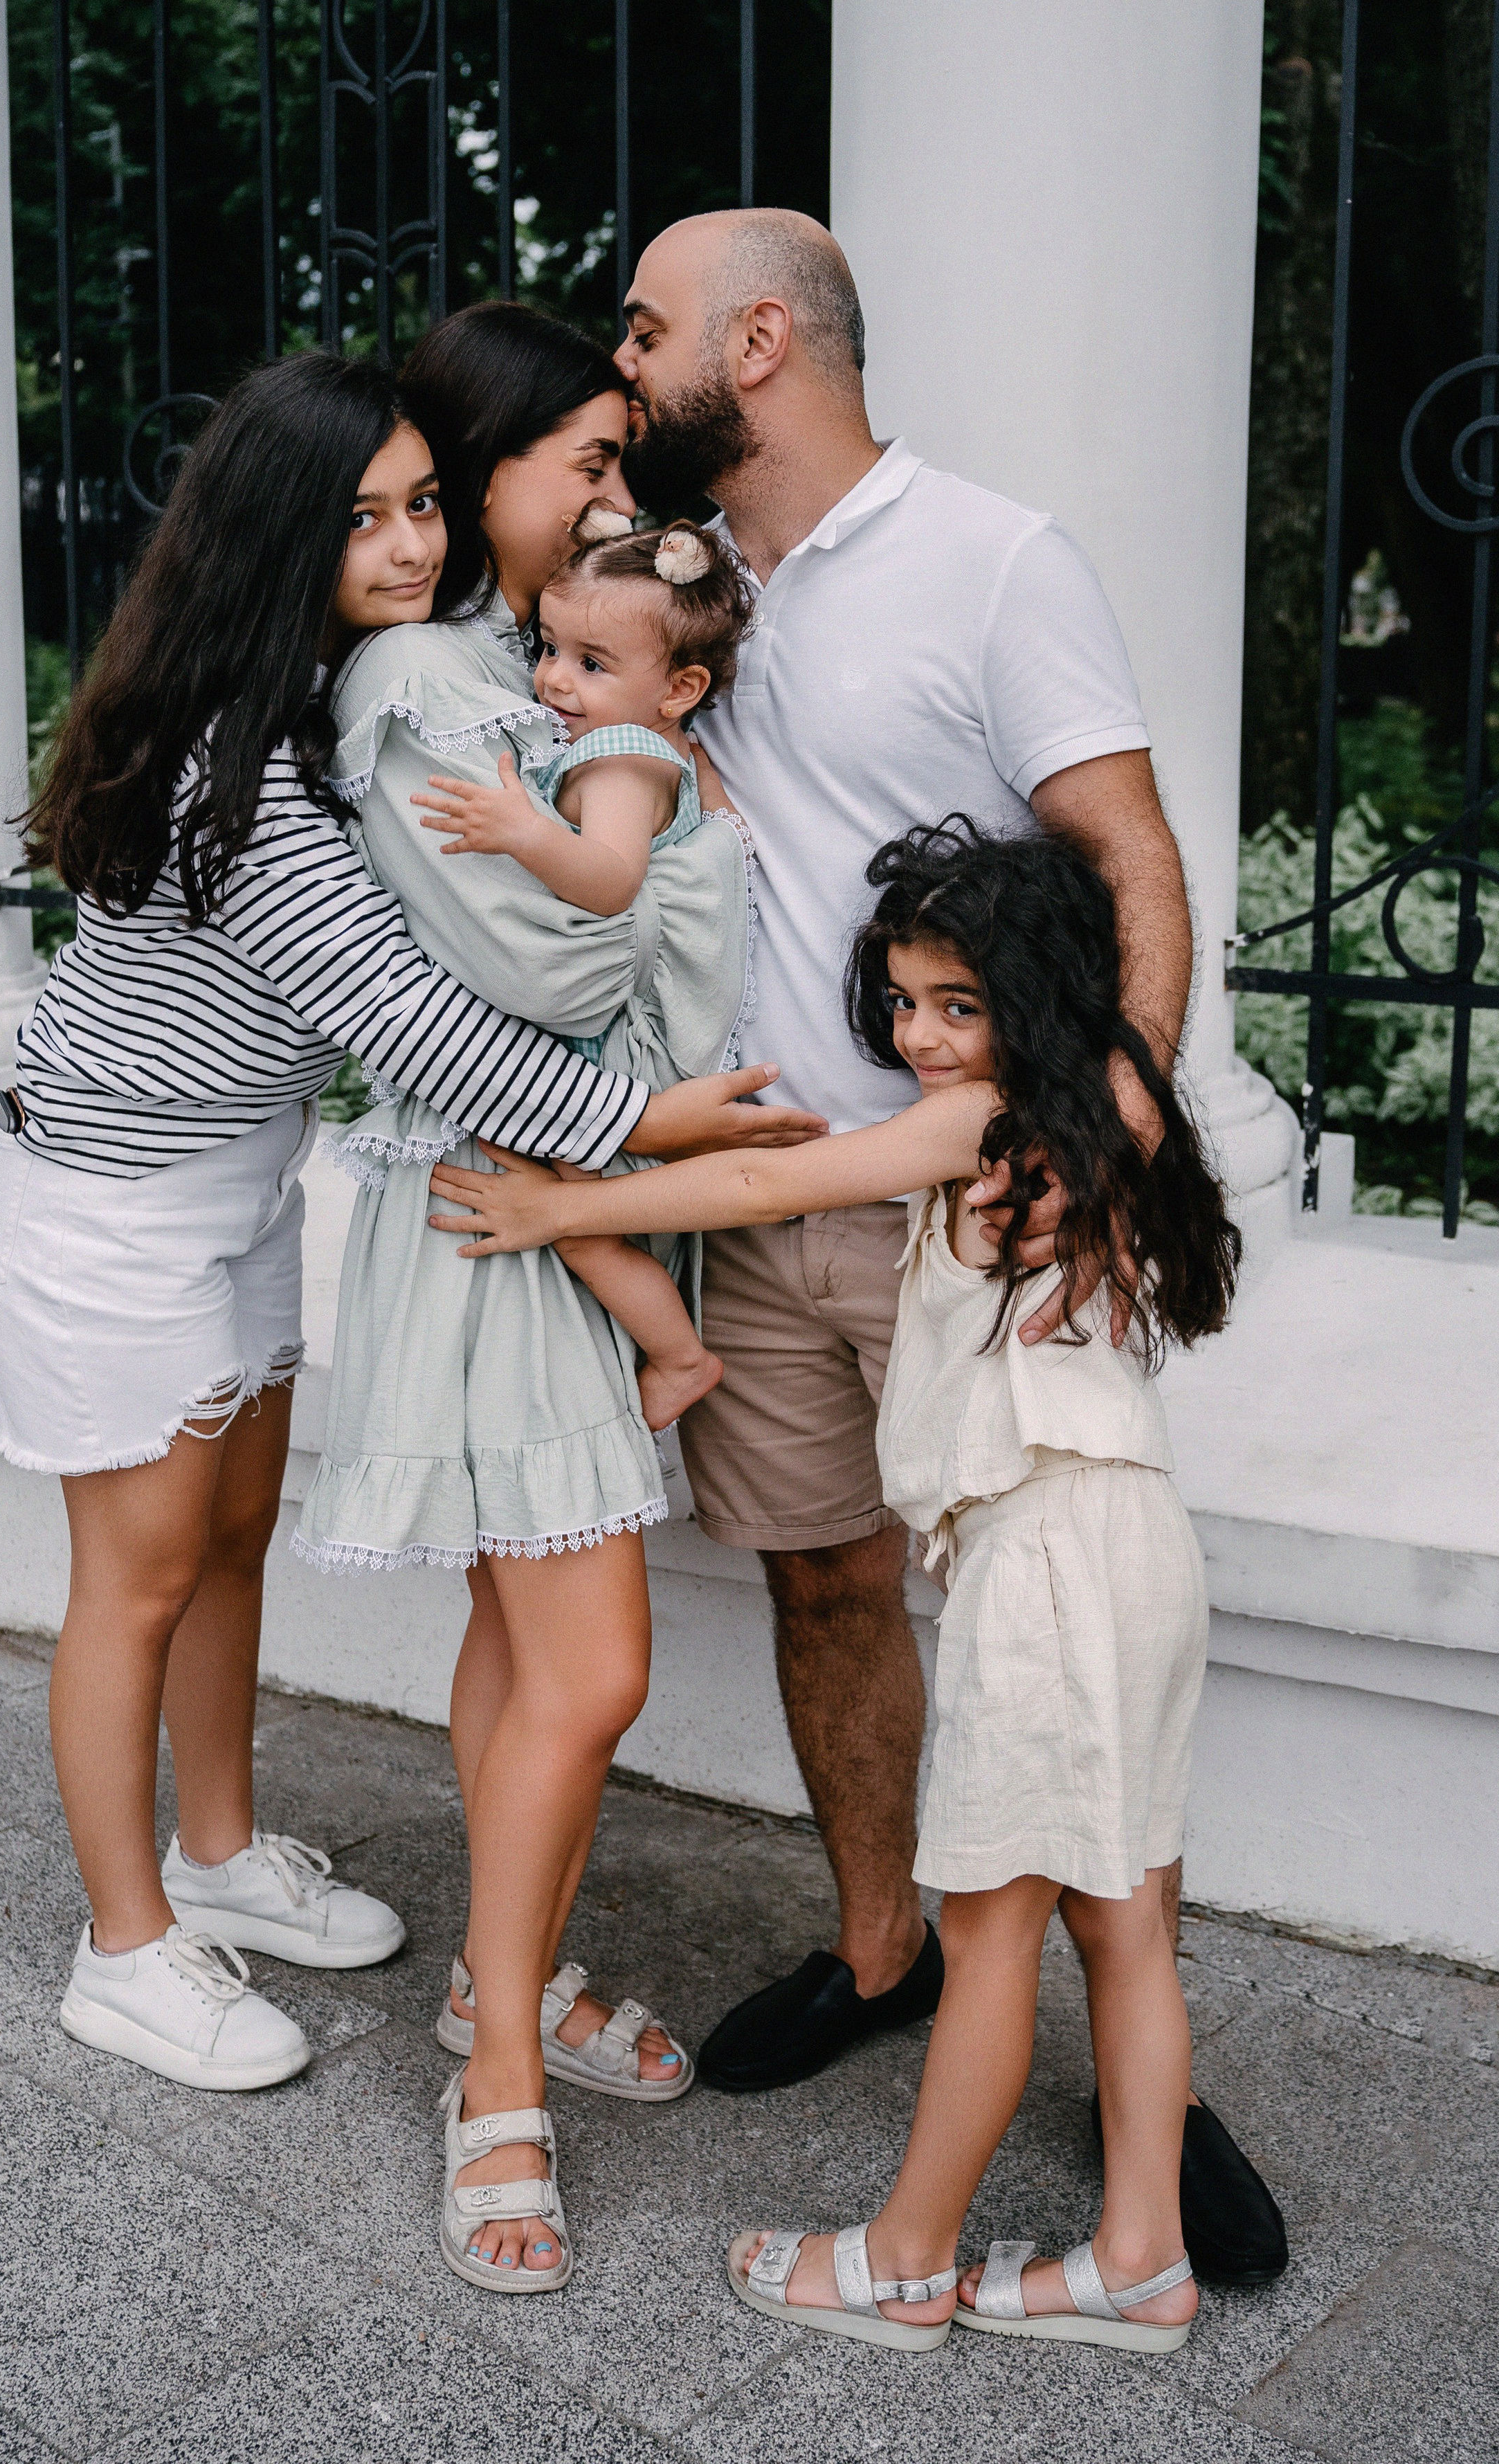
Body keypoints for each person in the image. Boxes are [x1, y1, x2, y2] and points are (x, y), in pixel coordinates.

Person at [0, 345, 817, 2096]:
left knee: (233, 1529)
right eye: (362, 520)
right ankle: (124, 1945)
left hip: (227, 1184)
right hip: (102, 1204)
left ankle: (215, 1851)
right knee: (130, 1579)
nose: (411, 547)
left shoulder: (309, 701)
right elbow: (397, 1012)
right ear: (278, 534)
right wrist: (641, 1129)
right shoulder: (237, 774)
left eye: (423, 504)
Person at [608, 207, 1287, 2285]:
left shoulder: (997, 559)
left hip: (968, 1218)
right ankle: (888, 1950)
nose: (620, 373)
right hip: (764, 1198)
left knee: (1043, 1641)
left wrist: (1121, 1120)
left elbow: (1131, 851)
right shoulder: (676, 591)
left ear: (755, 340)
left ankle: (1139, 2078)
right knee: (827, 1591)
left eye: (641, 335)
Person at [427, 815, 1238, 2355]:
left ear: (1036, 1000)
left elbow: (750, 1193)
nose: (919, 1039)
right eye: (906, 1001)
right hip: (1135, 1548)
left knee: (992, 1931)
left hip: (1047, 1563)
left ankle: (900, 2260)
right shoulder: (1106, 1125)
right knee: (1122, 1919)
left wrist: (560, 1208)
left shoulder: (988, 1128)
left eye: (957, 1004)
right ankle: (1137, 2256)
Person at [293, 304, 788, 2295]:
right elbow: (563, 982)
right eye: (580, 458)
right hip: (517, 1211)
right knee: (596, 1676)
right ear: (487, 467)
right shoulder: (432, 680)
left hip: (541, 1194)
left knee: (524, 1644)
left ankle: (504, 1983)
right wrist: (655, 853)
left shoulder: (527, 667)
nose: (610, 490)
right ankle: (498, 2069)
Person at [412, 513, 755, 1427]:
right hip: (680, 1041)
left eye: (593, 664)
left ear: (680, 687)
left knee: (567, 1207)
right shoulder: (679, 752)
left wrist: (523, 833)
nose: (557, 678)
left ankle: (681, 1357)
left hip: (632, 1047)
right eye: (549, 647)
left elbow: (609, 884)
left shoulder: (617, 757)